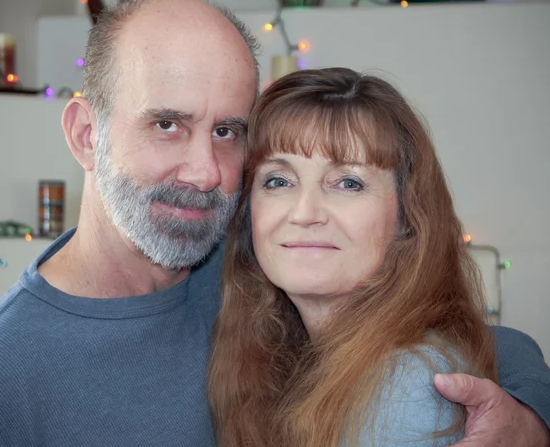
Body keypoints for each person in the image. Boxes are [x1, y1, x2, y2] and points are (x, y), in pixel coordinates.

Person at [0, 0, 550, 447]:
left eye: (227, 132)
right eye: (167, 124)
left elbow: (488, 346)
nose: (205, 172)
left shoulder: (243, 255)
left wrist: (530, 421)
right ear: (87, 135)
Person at [207, 67, 531, 446]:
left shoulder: (408, 383)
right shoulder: (281, 352)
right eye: (278, 180)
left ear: (407, 219)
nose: (304, 212)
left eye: (348, 183)